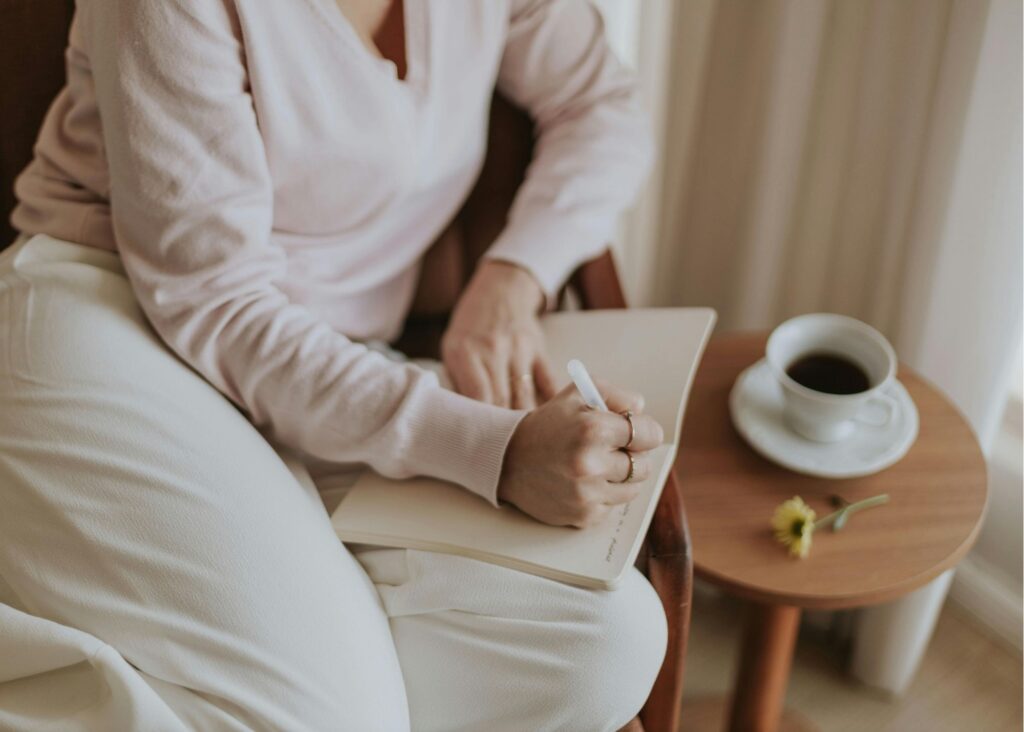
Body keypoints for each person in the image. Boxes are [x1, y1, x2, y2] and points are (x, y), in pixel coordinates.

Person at [0, 1, 667, 730]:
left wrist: (512, 279)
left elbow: (601, 103)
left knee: (608, 643)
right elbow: (216, 303)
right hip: (116, 324)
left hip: (334, 371)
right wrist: (492, 452)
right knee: (339, 719)